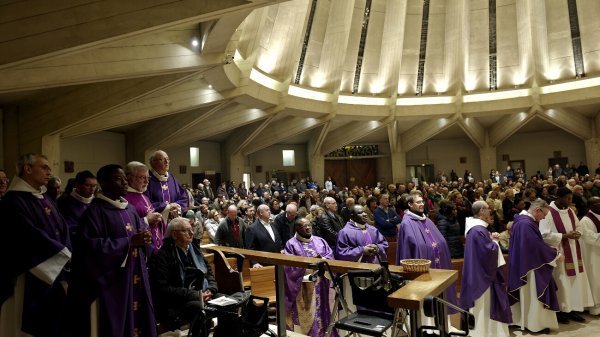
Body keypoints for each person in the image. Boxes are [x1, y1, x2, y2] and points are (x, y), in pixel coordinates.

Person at [65, 164, 156, 337]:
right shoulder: (95, 211)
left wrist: (145, 240)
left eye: (124, 178)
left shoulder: (130, 209)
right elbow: (89, 248)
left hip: (135, 273)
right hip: (114, 283)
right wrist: (129, 242)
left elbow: (140, 241)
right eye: (117, 179)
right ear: (103, 183)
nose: (124, 182)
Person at [0, 154, 71, 337]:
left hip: (54, 271)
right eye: (44, 167)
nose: (49, 172)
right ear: (28, 169)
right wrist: (62, 253)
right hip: (30, 272)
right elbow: (26, 234)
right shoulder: (13, 200)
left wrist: (66, 252)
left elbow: (63, 228)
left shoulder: (44, 197)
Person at [148, 217, 218, 336]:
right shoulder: (162, 255)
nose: (191, 233)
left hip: (203, 294)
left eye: (191, 229)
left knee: (230, 304)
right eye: (186, 230)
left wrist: (211, 289)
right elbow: (163, 289)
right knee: (201, 310)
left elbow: (209, 273)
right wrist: (195, 295)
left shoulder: (195, 250)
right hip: (177, 303)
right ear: (174, 235)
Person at [396, 193, 458, 312]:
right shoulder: (407, 223)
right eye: (418, 202)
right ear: (409, 204)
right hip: (420, 271)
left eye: (422, 202)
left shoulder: (427, 219)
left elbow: (440, 241)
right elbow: (410, 249)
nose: (421, 204)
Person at [540, 187, 592, 323]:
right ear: (559, 197)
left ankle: (573, 308)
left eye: (571, 199)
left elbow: (579, 226)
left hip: (574, 251)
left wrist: (577, 233)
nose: (570, 201)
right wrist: (565, 236)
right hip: (559, 253)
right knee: (561, 282)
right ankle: (560, 311)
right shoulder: (548, 212)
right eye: (568, 198)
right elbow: (544, 235)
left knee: (575, 281)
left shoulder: (569, 211)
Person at [508, 198, 560, 333]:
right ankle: (535, 325)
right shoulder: (526, 224)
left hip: (524, 262)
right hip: (531, 266)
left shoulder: (521, 221)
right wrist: (555, 253)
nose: (543, 219)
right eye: (543, 215)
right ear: (537, 210)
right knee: (533, 295)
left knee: (527, 295)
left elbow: (533, 243)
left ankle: (526, 322)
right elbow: (535, 245)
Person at [460, 201, 512, 337]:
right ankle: (483, 333)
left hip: (479, 273)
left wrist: (491, 238)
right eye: (488, 209)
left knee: (484, 305)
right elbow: (487, 253)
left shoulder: (477, 229)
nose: (491, 212)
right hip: (482, 277)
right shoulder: (478, 230)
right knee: (484, 305)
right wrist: (494, 242)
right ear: (482, 211)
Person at [284, 218, 335, 337]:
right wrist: (310, 266)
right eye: (304, 226)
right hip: (304, 285)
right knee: (310, 315)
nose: (308, 228)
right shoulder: (291, 244)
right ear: (297, 229)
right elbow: (289, 267)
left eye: (309, 225)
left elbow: (330, 256)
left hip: (323, 282)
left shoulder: (320, 240)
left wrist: (322, 260)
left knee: (325, 311)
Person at [124, 161, 165, 249]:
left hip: (156, 248)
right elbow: (125, 226)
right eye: (142, 177)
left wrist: (158, 218)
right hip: (141, 249)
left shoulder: (144, 196)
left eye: (148, 177)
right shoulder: (125, 198)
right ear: (129, 178)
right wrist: (146, 220)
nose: (146, 181)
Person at [145, 150, 188, 221]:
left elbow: (183, 197)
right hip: (156, 221)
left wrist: (177, 207)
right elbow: (145, 203)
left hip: (174, 220)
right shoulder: (147, 179)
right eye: (162, 159)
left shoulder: (172, 178)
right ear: (153, 162)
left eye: (167, 159)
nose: (166, 162)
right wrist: (167, 208)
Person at [57, 170, 97, 237]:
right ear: (78, 186)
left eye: (94, 186)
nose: (92, 189)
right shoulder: (64, 201)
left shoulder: (96, 202)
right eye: (88, 185)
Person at [580, 197, 600, 315]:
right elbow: (589, 238)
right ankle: (595, 308)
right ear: (591, 206)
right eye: (598, 203)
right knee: (595, 279)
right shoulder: (585, 221)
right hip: (593, 256)